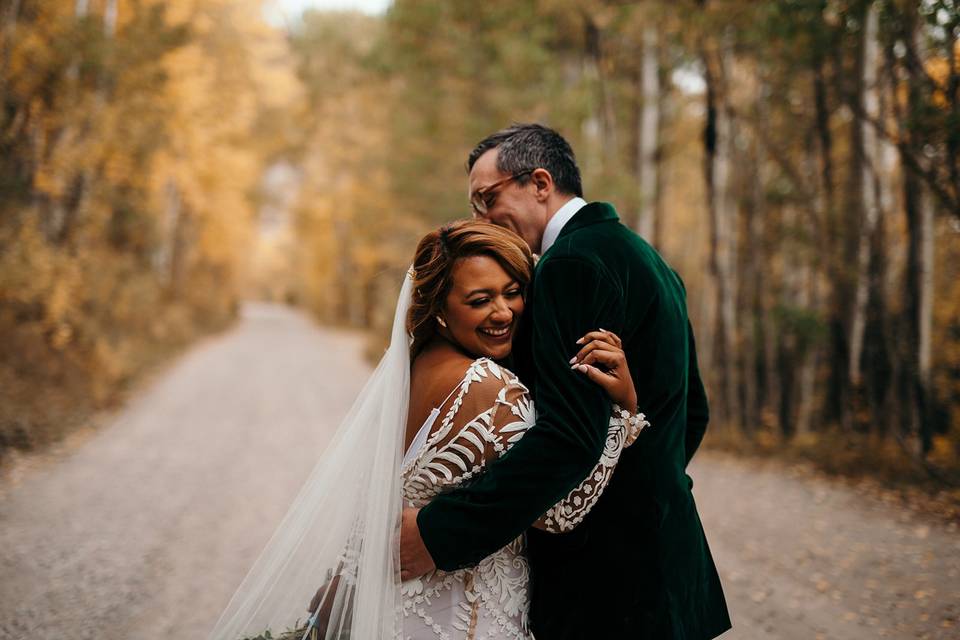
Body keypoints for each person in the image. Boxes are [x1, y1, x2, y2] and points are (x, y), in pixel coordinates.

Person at [206, 220, 645, 640]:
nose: (502, 312)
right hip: (462, 621)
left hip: (394, 611)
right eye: (479, 300)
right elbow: (559, 511)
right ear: (438, 307)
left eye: (513, 293)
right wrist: (622, 413)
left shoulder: (413, 371)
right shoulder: (490, 389)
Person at [399, 123, 731, 639]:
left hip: (605, 577)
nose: (482, 218)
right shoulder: (650, 260)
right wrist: (651, 490)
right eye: (474, 207)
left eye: (487, 199)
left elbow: (567, 438)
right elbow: (693, 413)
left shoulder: (570, 264)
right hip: (669, 559)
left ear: (539, 182)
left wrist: (441, 534)